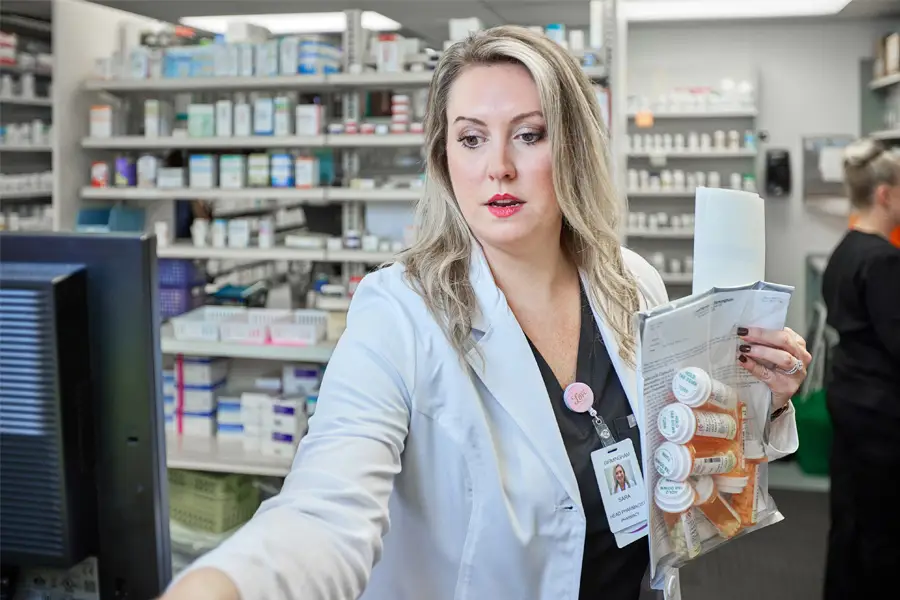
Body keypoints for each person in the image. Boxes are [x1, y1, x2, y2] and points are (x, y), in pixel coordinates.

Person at [163, 26, 808, 600]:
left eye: (529, 135)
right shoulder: (399, 310)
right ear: (446, 158)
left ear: (574, 147)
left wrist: (763, 400)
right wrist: (225, 585)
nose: (498, 167)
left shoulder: (629, 281)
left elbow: (691, 459)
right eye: (471, 138)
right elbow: (325, 513)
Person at [822, 139, 900, 600]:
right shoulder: (884, 259)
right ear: (885, 195)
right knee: (884, 528)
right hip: (883, 414)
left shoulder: (846, 248)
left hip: (850, 400)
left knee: (849, 517)